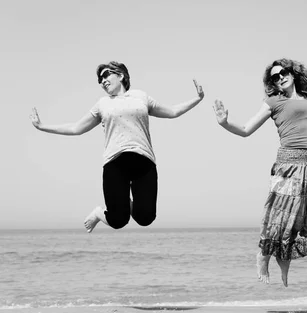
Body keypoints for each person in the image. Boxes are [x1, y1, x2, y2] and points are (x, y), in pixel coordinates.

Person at [213, 58, 307, 287]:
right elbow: (247, 129)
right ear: (273, 84)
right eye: (275, 77)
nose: (280, 77)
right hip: (288, 165)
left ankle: (282, 257)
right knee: (280, 218)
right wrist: (225, 123)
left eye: (284, 72)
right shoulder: (273, 102)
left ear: (293, 73)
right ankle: (264, 255)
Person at [30, 61, 204, 233]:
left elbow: (172, 112)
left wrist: (197, 99)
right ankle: (99, 213)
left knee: (146, 218)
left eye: (106, 75)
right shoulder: (102, 104)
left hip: (144, 161)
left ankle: (126, 201)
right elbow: (76, 128)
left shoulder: (141, 96)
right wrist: (42, 126)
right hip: (115, 162)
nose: (102, 80)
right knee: (118, 220)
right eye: (99, 79)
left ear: (120, 75)